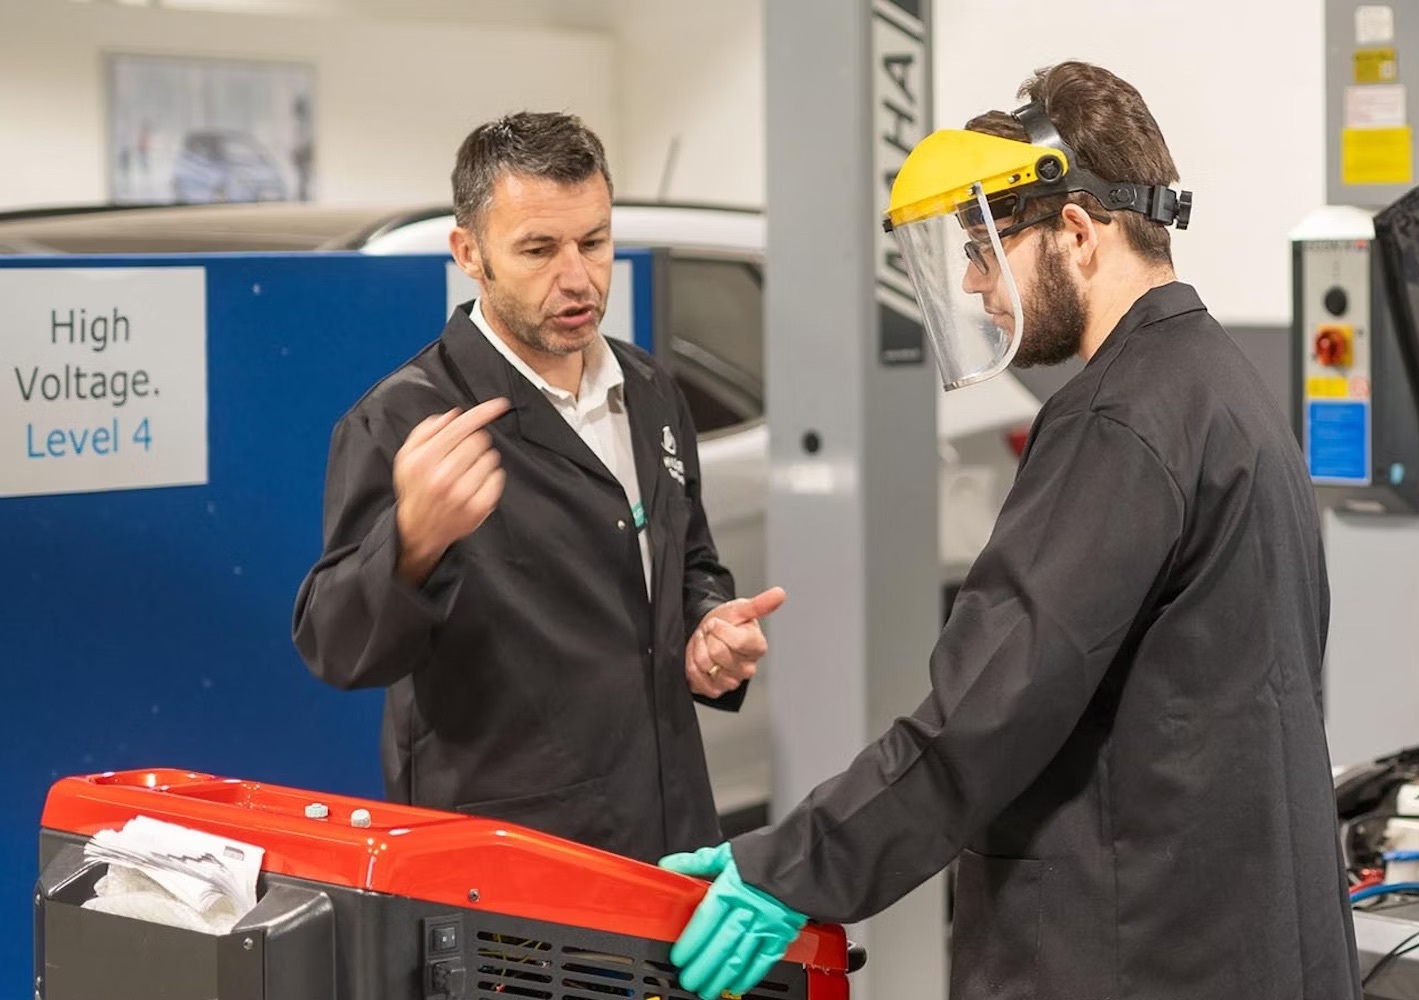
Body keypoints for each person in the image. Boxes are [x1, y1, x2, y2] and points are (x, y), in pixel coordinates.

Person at [658, 62, 1358, 1000]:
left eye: (987, 248)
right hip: (1230, 936)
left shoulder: (1116, 421)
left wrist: (792, 868)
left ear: (1077, 231)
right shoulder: (1225, 388)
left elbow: (987, 711)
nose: (975, 283)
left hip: (1127, 952)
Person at [290, 111, 784, 862]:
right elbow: (335, 648)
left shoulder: (650, 388)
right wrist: (412, 541)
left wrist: (707, 624)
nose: (578, 277)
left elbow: (689, 559)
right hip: (512, 856)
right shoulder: (405, 418)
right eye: (539, 249)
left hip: (671, 830)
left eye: (594, 242)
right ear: (470, 254)